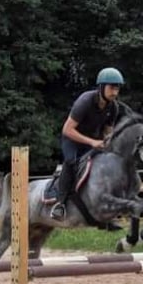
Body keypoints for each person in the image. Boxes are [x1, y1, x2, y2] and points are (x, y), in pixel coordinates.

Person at [50, 67, 124, 221]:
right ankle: (60, 204)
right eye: (112, 88)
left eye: (117, 88)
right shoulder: (85, 101)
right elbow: (67, 129)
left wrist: (109, 144)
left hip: (93, 141)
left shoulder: (114, 107)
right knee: (71, 162)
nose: (115, 92)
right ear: (101, 87)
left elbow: (108, 131)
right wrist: (92, 142)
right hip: (72, 139)